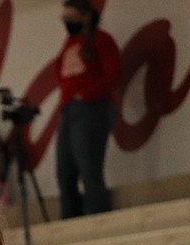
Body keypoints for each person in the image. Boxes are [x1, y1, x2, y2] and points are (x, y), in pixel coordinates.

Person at [55, 0, 121, 218]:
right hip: (69, 110)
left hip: (91, 109)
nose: (67, 23)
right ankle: (70, 220)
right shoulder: (70, 42)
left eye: (70, 18)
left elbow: (113, 74)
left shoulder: (101, 40)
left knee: (89, 169)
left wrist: (86, 95)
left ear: (85, 17)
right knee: (65, 173)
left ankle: (96, 217)